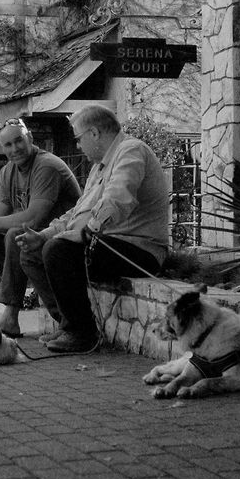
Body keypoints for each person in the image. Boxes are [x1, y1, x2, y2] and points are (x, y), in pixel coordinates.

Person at [18, 105, 169, 354]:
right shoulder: (100, 166)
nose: (78, 146)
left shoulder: (131, 150)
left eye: (78, 139)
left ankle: (82, 333)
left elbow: (118, 199)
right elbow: (79, 211)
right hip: (110, 244)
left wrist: (88, 231)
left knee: (58, 251)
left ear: (95, 133)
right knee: (32, 253)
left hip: (140, 250)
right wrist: (43, 235)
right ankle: (67, 324)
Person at [0, 118, 81, 336]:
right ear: (2, 148)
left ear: (30, 138)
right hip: (30, 244)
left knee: (15, 234)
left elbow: (32, 219)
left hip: (60, 242)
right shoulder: (8, 172)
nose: (15, 148)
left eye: (19, 141)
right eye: (8, 145)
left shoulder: (47, 166)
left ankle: (10, 318)